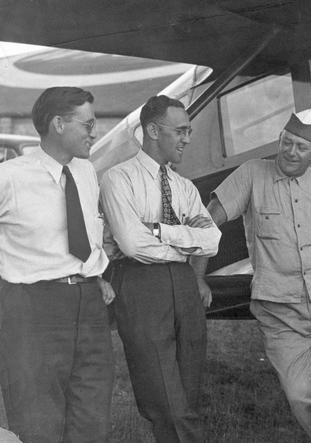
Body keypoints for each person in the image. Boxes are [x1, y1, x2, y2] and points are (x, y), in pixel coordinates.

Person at [206, 109, 311, 442]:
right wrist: (196, 274)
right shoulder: (251, 173)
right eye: (286, 142)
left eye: (301, 147)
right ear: (279, 139)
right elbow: (209, 220)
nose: (290, 152)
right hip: (280, 309)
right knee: (302, 394)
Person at [99, 95, 221, 442]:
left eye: (189, 131)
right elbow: (132, 245)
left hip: (183, 284)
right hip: (139, 283)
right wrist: (184, 239)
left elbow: (211, 239)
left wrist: (158, 230)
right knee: (164, 399)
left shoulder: (184, 186)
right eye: (180, 130)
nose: (187, 138)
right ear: (153, 130)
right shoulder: (118, 179)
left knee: (187, 391)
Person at [0, 87, 115, 442]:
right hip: (32, 306)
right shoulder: (10, 177)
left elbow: (87, 234)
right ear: (58, 124)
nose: (95, 132)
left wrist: (95, 276)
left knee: (92, 410)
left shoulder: (86, 172)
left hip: (89, 304)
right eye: (88, 123)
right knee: (37, 416)